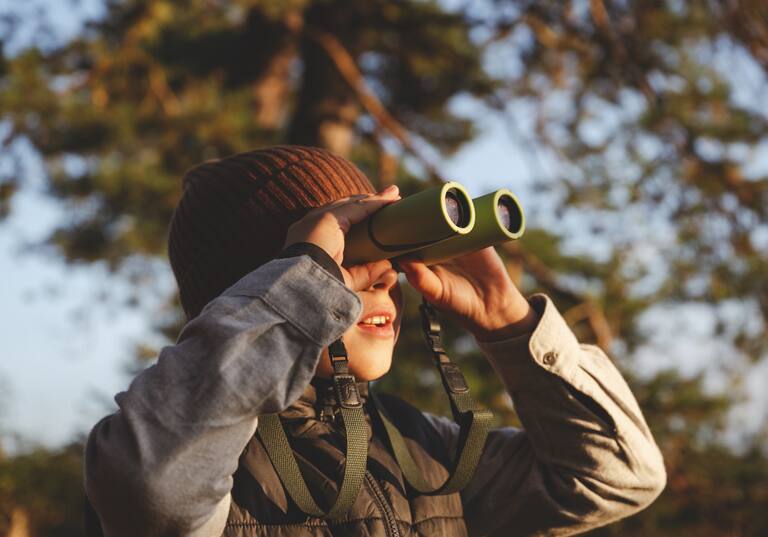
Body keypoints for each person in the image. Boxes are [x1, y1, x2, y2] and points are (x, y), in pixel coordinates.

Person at [84, 145, 666, 536]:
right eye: (351, 260)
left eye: (385, 255)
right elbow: (153, 483)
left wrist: (510, 324)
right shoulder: (205, 462)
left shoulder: (423, 450)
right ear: (266, 286)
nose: (383, 275)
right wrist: (309, 287)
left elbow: (617, 475)